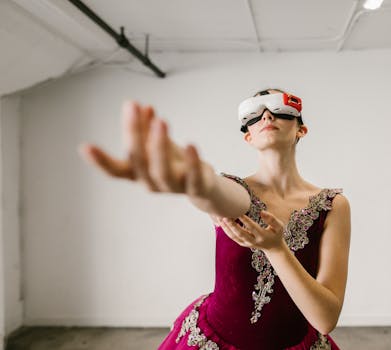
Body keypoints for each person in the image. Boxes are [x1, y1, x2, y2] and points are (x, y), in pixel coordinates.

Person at [78, 88, 351, 349]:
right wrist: (196, 183)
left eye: (280, 109)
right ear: (249, 137)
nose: (266, 116)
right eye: (254, 114)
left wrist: (276, 249)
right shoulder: (234, 190)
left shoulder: (333, 205)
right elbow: (219, 194)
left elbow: (325, 319)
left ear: (301, 129)